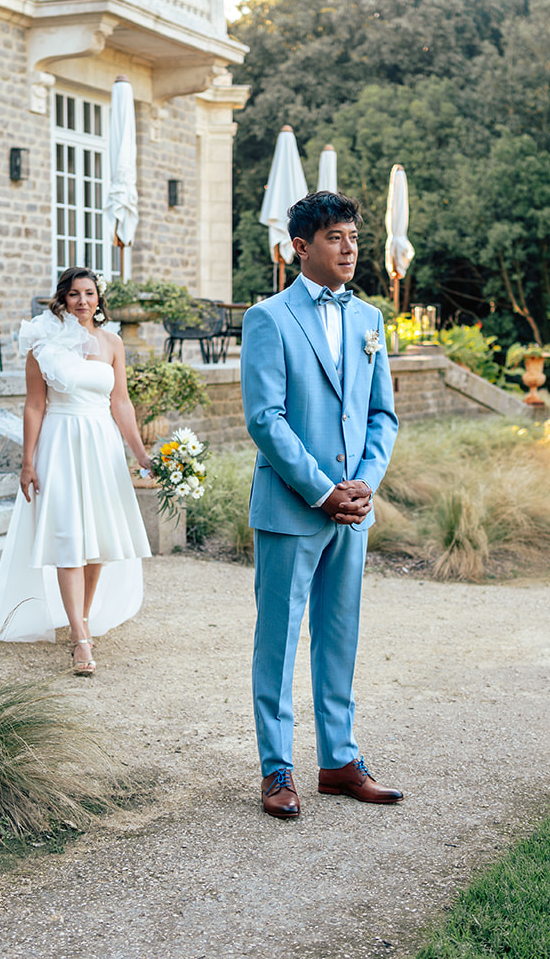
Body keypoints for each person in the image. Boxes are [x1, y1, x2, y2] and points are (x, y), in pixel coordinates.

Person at [240, 190, 401, 819]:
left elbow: (382, 415)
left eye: (354, 236)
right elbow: (265, 418)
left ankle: (339, 761)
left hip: (351, 512)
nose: (350, 247)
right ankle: (276, 768)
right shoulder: (269, 318)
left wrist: (363, 484)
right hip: (292, 507)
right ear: (300, 247)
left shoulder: (369, 321)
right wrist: (322, 490)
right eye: (336, 237)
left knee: (339, 636)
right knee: (277, 642)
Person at [0, 266, 155, 674]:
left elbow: (121, 403)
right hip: (59, 443)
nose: (82, 301)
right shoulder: (42, 343)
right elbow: (34, 405)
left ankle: (83, 617)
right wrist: (27, 462)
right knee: (67, 537)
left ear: (98, 299)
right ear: (63, 298)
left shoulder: (112, 343)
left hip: (101, 444)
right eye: (74, 294)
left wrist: (142, 456)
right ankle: (79, 637)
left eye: (89, 293)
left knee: (98, 541)